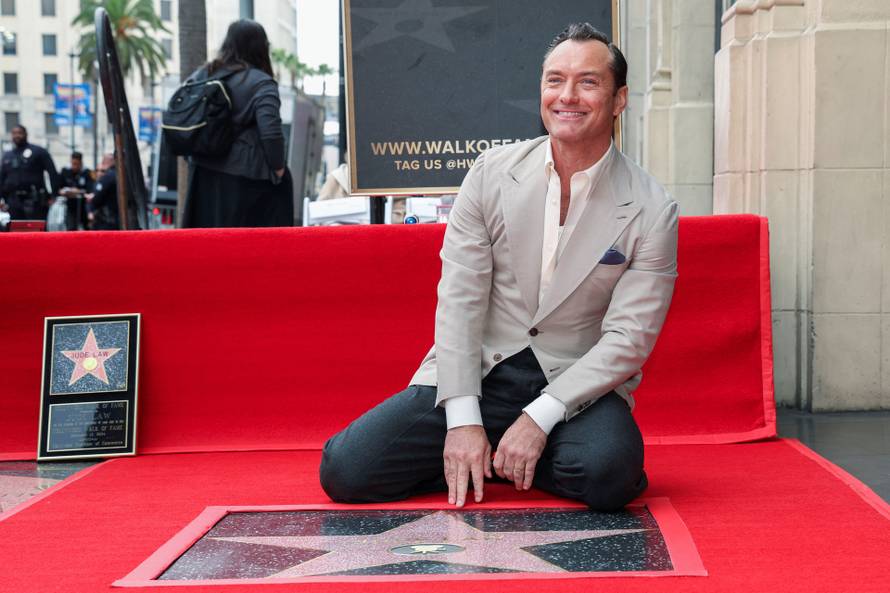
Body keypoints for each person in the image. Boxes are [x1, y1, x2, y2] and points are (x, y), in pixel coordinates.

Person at [320, 24, 679, 512]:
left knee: (609, 476)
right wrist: (463, 419)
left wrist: (539, 418)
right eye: (555, 80)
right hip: (482, 370)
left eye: (588, 82)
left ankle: (514, 452)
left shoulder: (652, 207)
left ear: (619, 100)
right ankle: (491, 453)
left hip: (574, 385)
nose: (567, 96)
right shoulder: (490, 173)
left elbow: (629, 338)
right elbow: (460, 299)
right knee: (347, 470)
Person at [182, 19, 292, 228]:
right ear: (261, 47)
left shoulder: (203, 74)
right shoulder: (262, 82)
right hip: (245, 178)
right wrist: (278, 168)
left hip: (202, 174)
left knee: (206, 242)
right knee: (246, 243)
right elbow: (271, 132)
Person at [0, 125, 60, 221]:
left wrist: (54, 195)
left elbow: (52, 173)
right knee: (16, 228)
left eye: (19, 133)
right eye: (14, 133)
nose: (17, 136)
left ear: (26, 134)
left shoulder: (39, 151)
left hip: (35, 200)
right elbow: (2, 178)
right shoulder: (7, 156)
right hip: (13, 201)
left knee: (36, 227)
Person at [59, 151, 95, 230]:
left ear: (81, 162)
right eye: (73, 164)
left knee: (86, 228)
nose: (74, 167)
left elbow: (91, 189)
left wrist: (78, 191)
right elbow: (59, 187)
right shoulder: (65, 171)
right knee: (71, 227)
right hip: (70, 204)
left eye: (77, 164)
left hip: (83, 205)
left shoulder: (88, 172)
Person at [87, 153, 119, 230]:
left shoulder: (108, 176)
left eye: (102, 171)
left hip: (107, 220)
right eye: (97, 171)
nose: (99, 173)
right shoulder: (119, 174)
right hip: (115, 218)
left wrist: (92, 198)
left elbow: (97, 198)